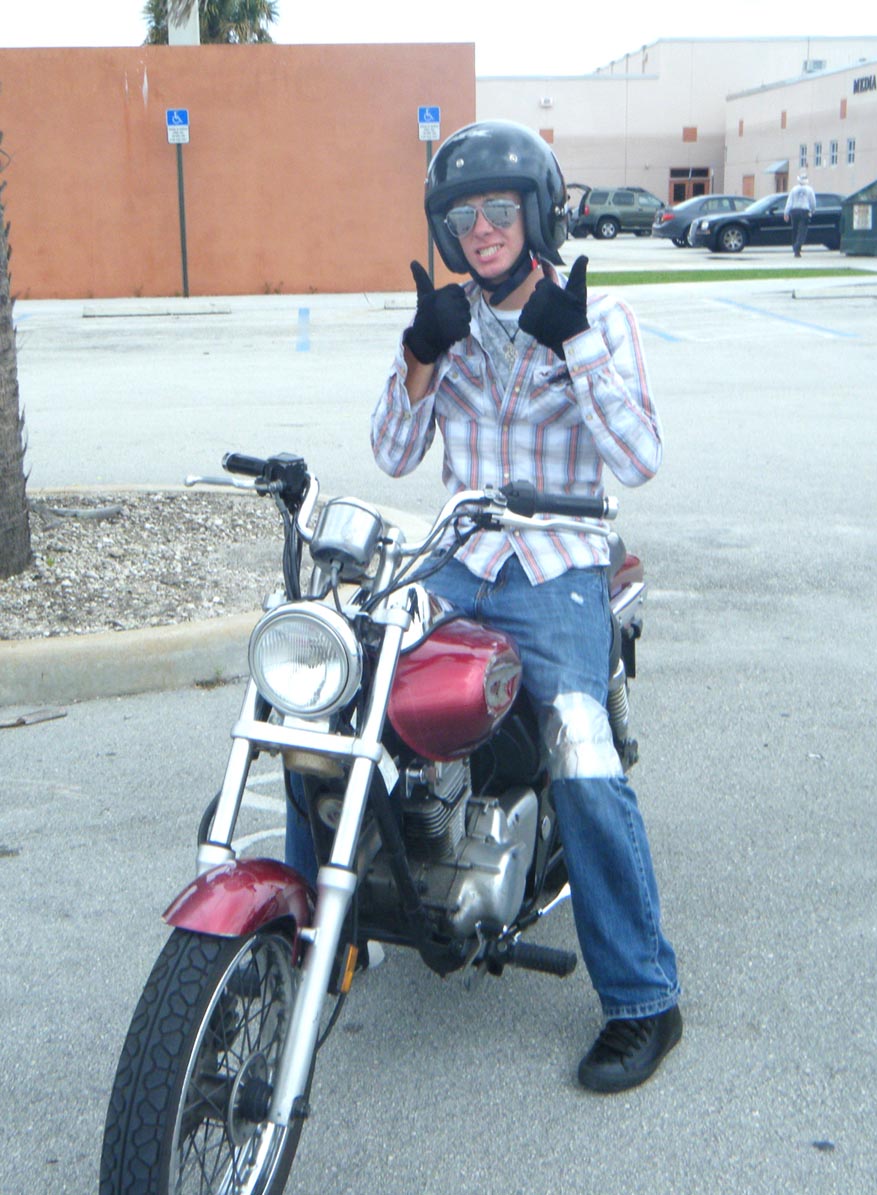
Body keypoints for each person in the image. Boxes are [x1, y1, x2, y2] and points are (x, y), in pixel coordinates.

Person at [370, 120, 681, 1093]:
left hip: (557, 562)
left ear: (536, 212)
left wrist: (573, 341)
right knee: (343, 698)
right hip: (459, 559)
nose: (483, 229)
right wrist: (420, 350)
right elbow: (392, 453)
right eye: (465, 215)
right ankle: (314, 926)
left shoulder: (600, 315)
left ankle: (644, 996)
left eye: (500, 209)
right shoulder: (447, 319)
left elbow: (639, 458)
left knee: (579, 744)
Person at [784, 172, 816, 256]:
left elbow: (789, 201)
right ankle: (797, 247)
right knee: (802, 231)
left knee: (795, 230)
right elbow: (812, 202)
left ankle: (795, 247)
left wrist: (786, 212)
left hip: (794, 211)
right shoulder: (809, 190)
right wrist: (812, 211)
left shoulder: (794, 189)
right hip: (804, 211)